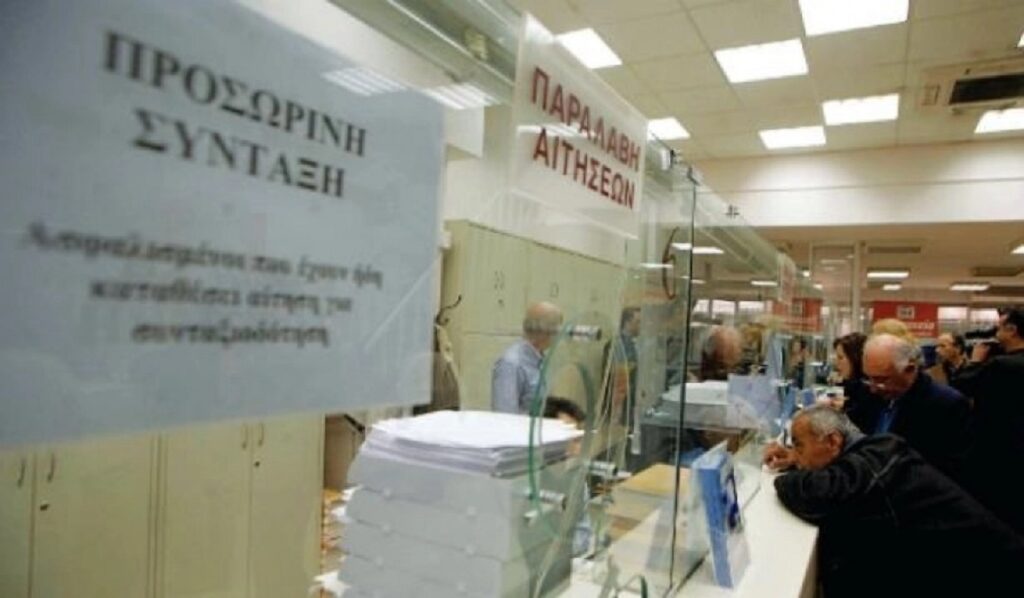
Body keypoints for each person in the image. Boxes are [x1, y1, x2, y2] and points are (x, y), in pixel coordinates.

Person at [765, 406, 1024, 598]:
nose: (796, 453)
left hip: (998, 579)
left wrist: (786, 478)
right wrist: (797, 458)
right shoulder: (875, 453)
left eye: (799, 445)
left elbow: (817, 495)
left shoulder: (873, 465)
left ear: (833, 441)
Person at [858, 333, 971, 482]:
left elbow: (948, 471)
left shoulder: (946, 405)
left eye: (881, 380)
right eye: (869, 378)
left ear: (910, 370)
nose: (873, 388)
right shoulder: (873, 397)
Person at [954, 306, 1024, 535]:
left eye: (999, 327)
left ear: (1012, 330)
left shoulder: (1001, 366)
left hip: (995, 449)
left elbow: (962, 384)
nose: (995, 332)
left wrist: (975, 361)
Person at [491, 301, 563, 414]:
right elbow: (505, 415)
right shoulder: (511, 364)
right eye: (557, 330)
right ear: (546, 332)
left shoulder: (539, 360)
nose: (559, 336)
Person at [543, 396, 591, 557]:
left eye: (577, 440)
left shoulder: (575, 479)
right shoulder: (522, 483)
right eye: (568, 439)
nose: (576, 449)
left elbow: (583, 534)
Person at [827, 333, 880, 432]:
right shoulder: (848, 385)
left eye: (841, 358)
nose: (836, 363)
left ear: (855, 359)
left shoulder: (869, 390)